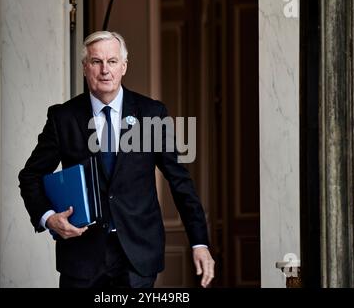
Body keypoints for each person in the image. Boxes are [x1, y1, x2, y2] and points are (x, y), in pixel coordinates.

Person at [18, 31, 215, 288]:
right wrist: (48, 218)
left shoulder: (151, 114)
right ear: (85, 67)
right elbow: (30, 176)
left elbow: (180, 182)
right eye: (96, 61)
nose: (104, 70)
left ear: (124, 66)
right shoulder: (63, 117)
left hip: (138, 256)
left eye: (112, 61)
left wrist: (199, 242)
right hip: (81, 258)